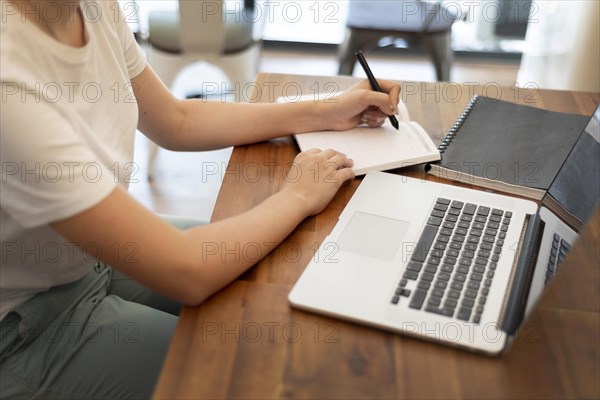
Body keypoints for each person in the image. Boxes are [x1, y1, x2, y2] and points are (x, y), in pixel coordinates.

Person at [0, 0, 401, 398]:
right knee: (255, 367)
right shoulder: (10, 81)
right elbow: (187, 271)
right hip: (27, 327)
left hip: (87, 258)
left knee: (287, 272)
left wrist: (326, 111)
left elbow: (175, 120)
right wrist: (296, 195)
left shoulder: (92, 7)